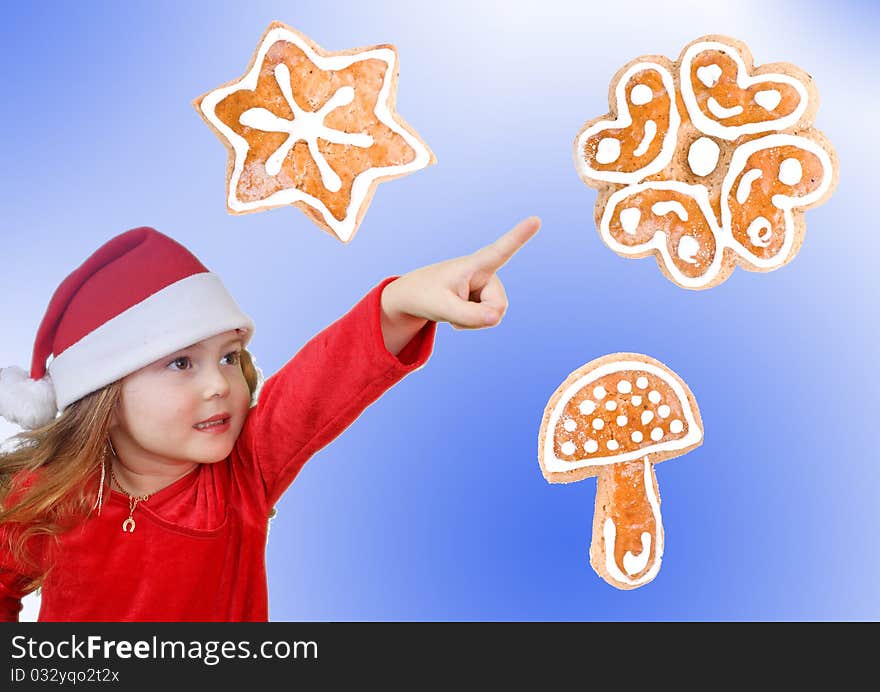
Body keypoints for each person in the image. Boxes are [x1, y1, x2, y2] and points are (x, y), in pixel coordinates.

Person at [0, 217, 540, 621]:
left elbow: (321, 384)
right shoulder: (48, 496)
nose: (218, 384)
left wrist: (399, 305)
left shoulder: (245, 472)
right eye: (181, 362)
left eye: (229, 357)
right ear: (104, 395)